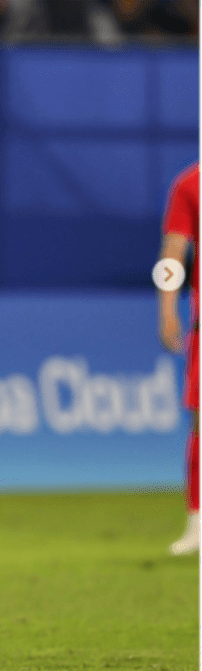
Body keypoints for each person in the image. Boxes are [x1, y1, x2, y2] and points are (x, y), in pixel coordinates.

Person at [158, 160, 199, 555]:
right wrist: (167, 308)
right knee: (200, 425)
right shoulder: (189, 184)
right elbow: (174, 251)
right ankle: (197, 523)